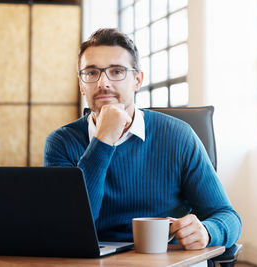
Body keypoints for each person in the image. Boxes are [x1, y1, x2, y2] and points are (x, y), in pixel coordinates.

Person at [43, 28, 241, 250]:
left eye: (117, 71)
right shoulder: (61, 142)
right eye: (91, 73)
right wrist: (103, 140)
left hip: (164, 258)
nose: (103, 83)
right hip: (94, 259)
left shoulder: (179, 136)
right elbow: (69, 226)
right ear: (81, 83)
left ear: (137, 80)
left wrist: (207, 231)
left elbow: (228, 217)